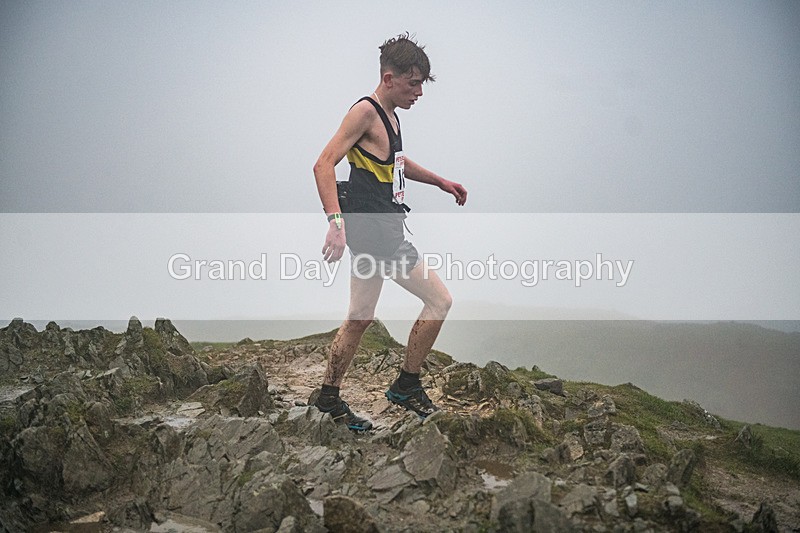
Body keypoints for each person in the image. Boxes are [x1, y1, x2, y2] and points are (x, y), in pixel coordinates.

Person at [312, 33, 467, 431]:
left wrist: (440, 181)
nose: (419, 92)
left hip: (375, 230)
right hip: (377, 234)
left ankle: (328, 397)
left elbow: (397, 161)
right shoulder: (365, 112)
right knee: (439, 301)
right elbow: (324, 164)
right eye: (413, 83)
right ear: (388, 78)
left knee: (359, 318)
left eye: (421, 84)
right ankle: (406, 385)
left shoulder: (390, 116)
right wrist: (335, 224)